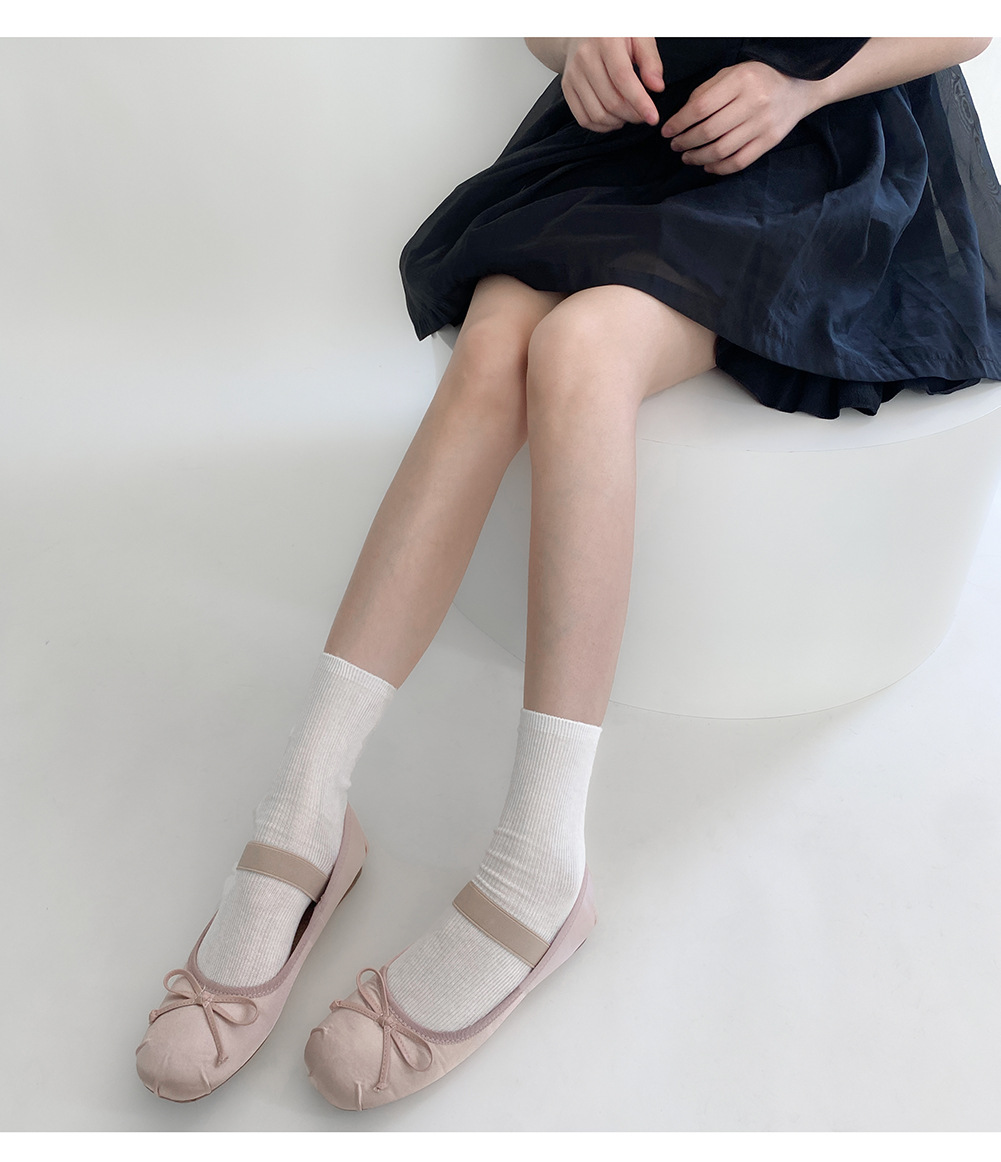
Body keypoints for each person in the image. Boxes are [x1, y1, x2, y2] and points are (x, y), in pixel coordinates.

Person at [136, 36, 999, 1109]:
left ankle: (540, 860)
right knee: (494, 345)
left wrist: (803, 86)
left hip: (817, 145)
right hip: (631, 138)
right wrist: (580, 41)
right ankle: (306, 803)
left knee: (581, 351)